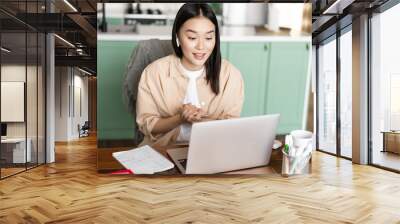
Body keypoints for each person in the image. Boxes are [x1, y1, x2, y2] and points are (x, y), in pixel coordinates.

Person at [136, 3, 244, 147]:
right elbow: (147, 125)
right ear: (178, 37)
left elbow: (232, 126)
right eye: (192, 38)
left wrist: (201, 122)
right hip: (164, 149)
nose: (201, 47)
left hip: (213, 149)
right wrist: (180, 118)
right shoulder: (154, 73)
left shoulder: (230, 75)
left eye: (208, 38)